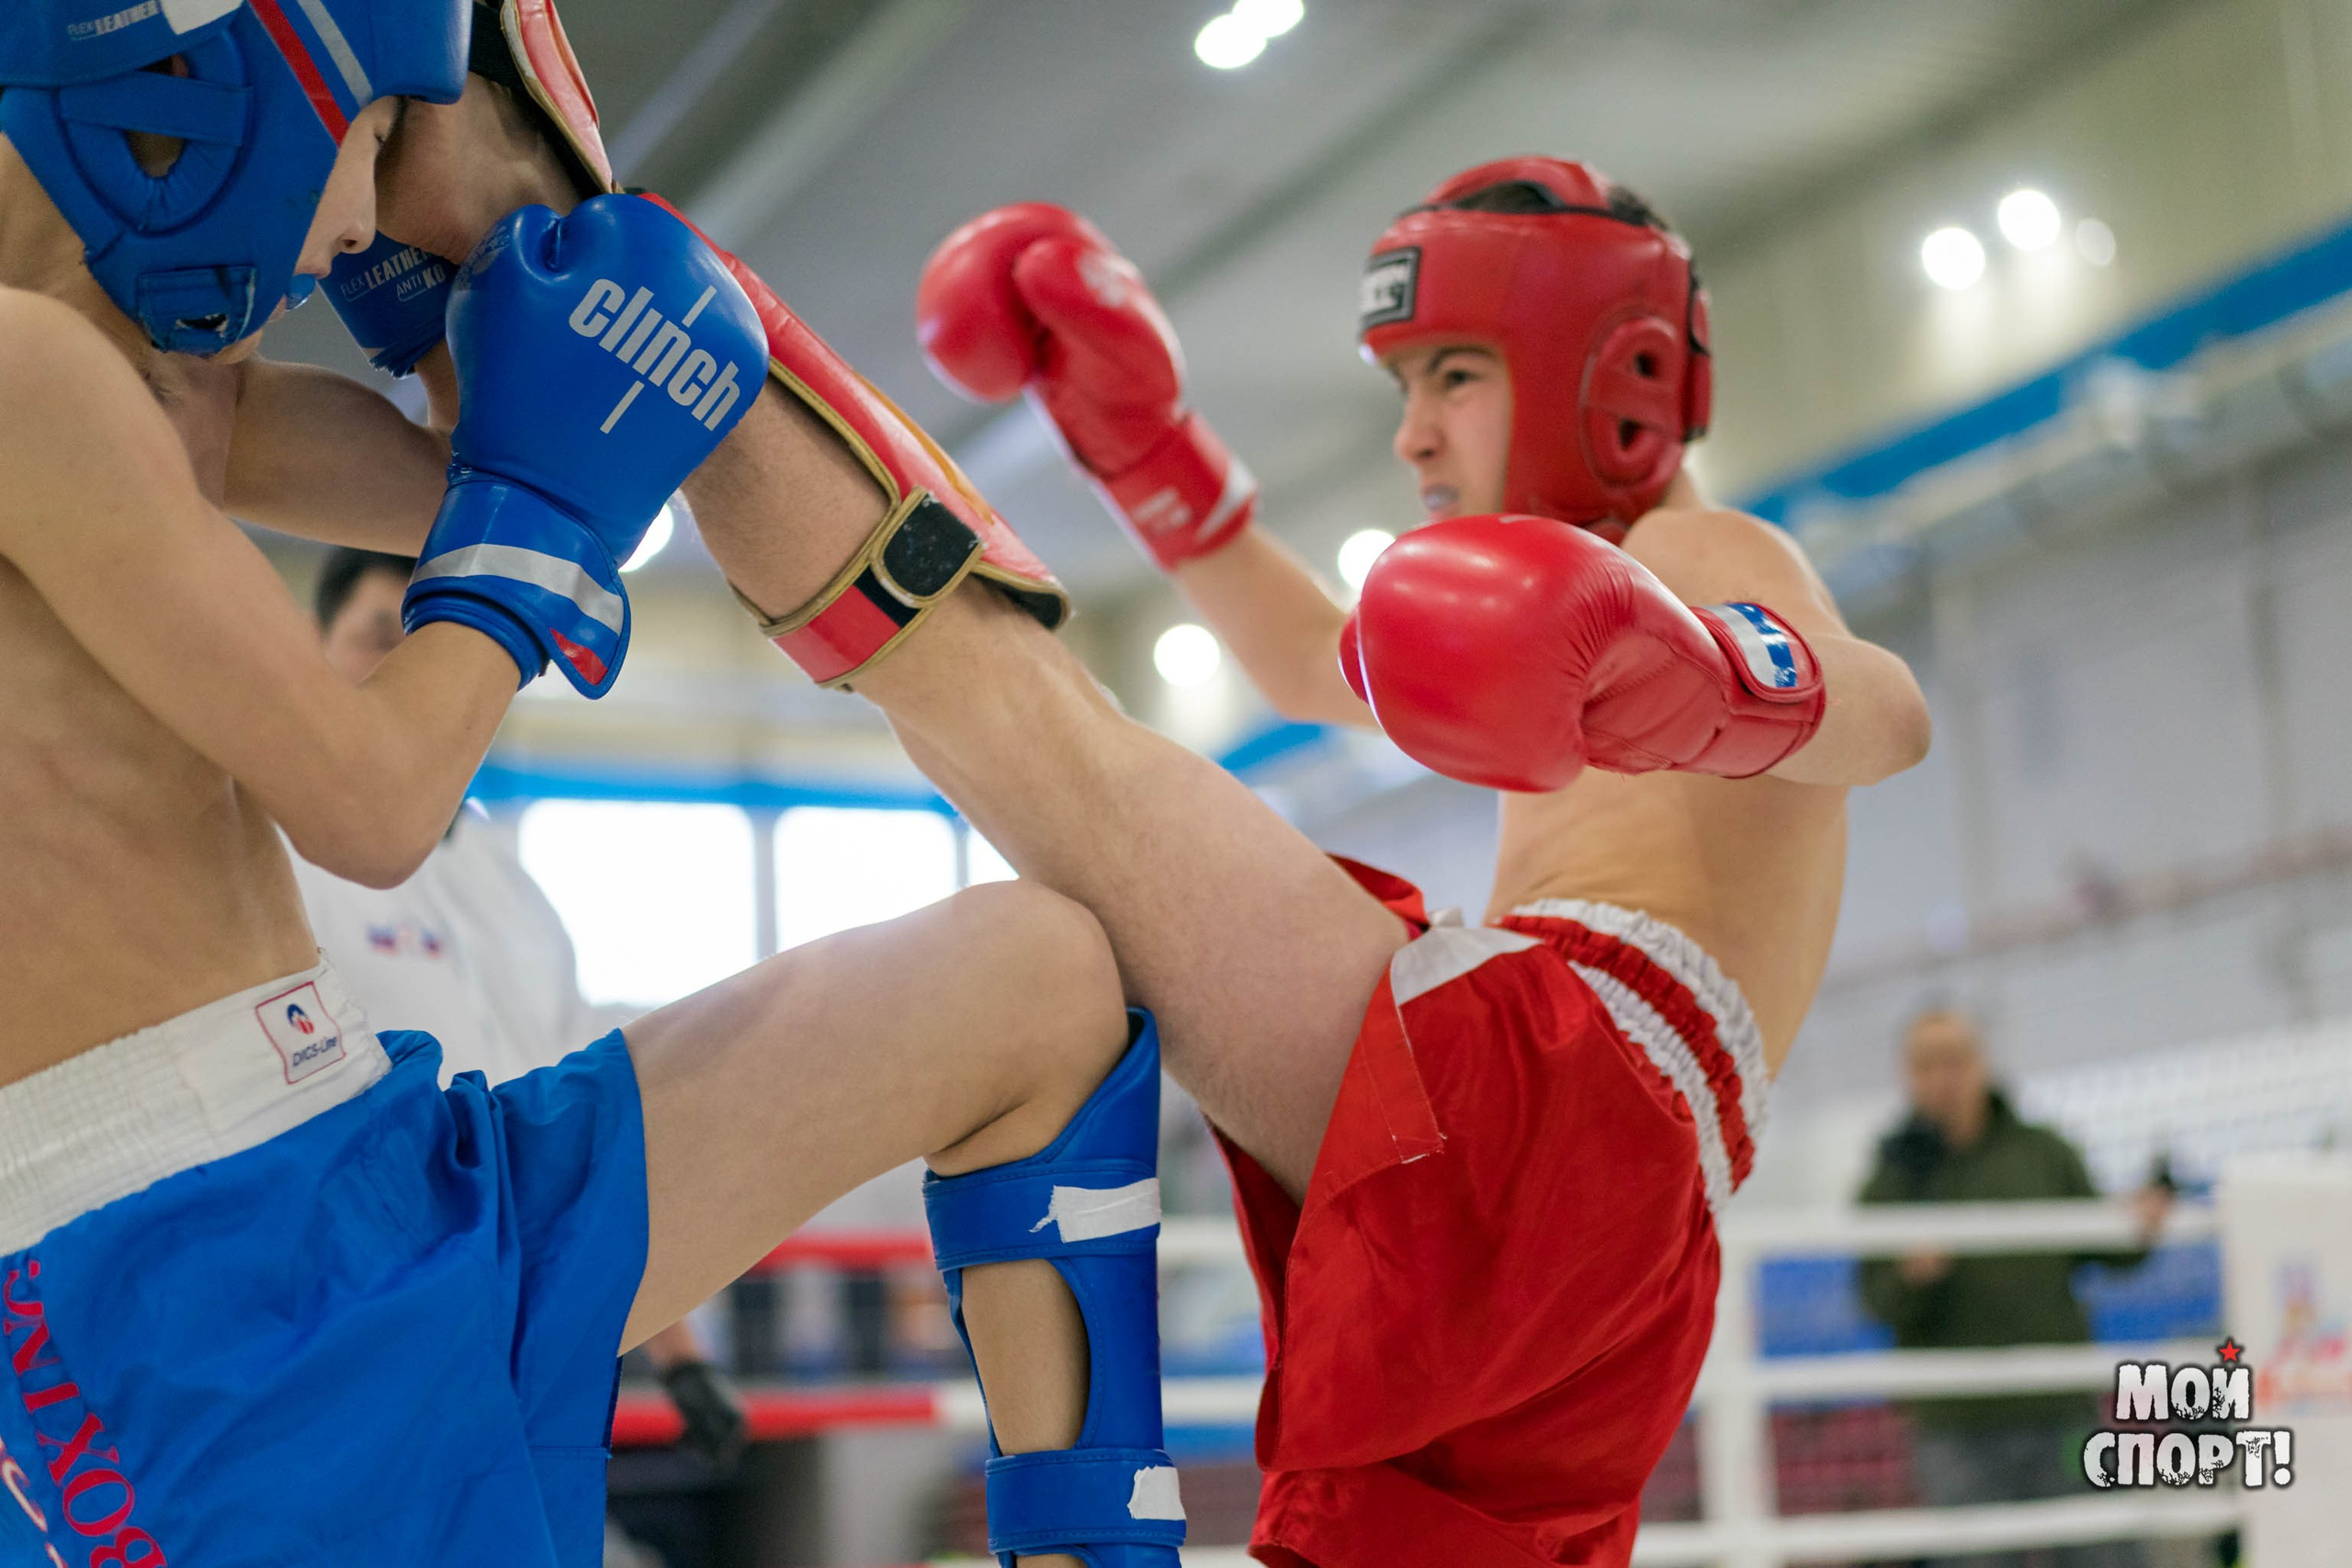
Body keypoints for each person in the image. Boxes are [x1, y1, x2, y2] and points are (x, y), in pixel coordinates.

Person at [324, 48, 1923, 1565]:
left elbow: (1888, 717)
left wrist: (1721, 675)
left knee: (1024, 731)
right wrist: (1135, 435)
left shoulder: (1697, 567)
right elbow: (1308, 655)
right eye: (1408, 381)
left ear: (1615, 375)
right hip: (1614, 1253)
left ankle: (623, 302)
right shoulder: (1560, 624)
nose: (1413, 428)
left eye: (1453, 373)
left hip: (1564, 1090)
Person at [0, 7, 1180, 1568]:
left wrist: (476, 308)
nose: (350, 226)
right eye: (359, 141)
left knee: (1033, 981)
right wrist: (533, 525)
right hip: (194, 1305)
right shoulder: (21, 377)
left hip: (364, 1159)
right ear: (227, 80)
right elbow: (369, 799)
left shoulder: (125, 381)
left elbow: (490, 479)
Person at [304, 545, 748, 1483]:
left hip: (535, 1305)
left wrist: (683, 1355)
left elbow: (589, 1111)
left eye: (424, 647)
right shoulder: (279, 853)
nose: (399, 670)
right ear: (313, 654)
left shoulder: (512, 883)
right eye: (373, 638)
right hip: (360, 1308)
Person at [1860, 1008, 2173, 1568]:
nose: (1944, 1076)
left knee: (2108, 1554)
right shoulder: (1888, 1179)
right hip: (1954, 1428)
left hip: (2060, 1407)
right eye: (1927, 1064)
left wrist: (2141, 1218)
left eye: (1955, 1059)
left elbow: (2110, 1248)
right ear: (1907, 1076)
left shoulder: (2042, 1152)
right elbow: (1874, 1299)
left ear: (1982, 1062)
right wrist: (1912, 1275)